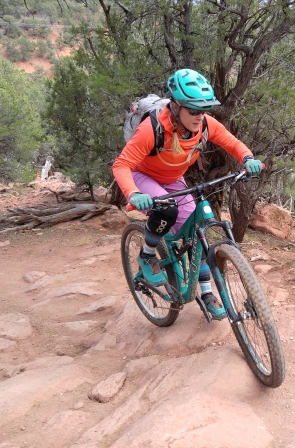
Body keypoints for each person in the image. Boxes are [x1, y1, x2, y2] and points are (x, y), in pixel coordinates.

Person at [112, 68, 262, 320]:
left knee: (197, 229)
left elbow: (231, 142)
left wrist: (247, 158)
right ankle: (148, 255)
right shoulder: (153, 129)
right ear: (176, 106)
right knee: (166, 210)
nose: (199, 115)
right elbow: (121, 165)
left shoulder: (204, 125)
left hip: (173, 179)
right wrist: (134, 194)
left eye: (203, 110)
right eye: (193, 110)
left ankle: (205, 293)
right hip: (143, 177)